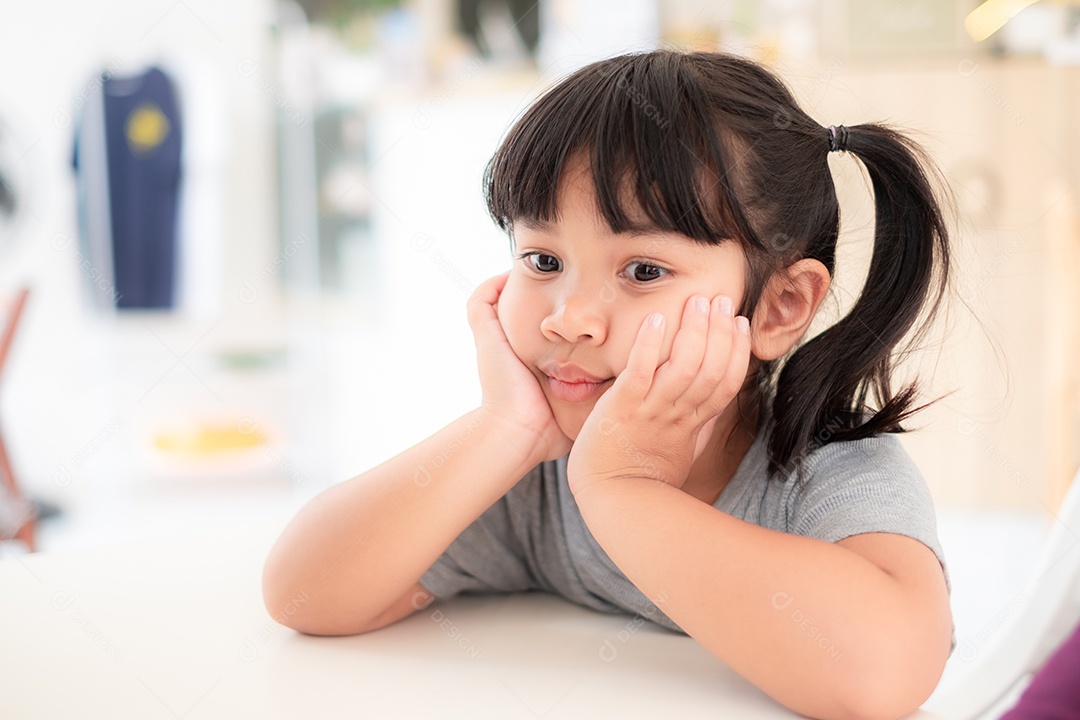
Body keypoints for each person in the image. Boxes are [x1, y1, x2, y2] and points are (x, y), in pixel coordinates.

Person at [263, 49, 954, 719]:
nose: (571, 318)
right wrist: (505, 429)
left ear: (781, 306)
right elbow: (301, 596)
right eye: (542, 258)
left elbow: (881, 676)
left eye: (644, 271)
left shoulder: (832, 470)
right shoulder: (532, 472)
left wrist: (625, 489)